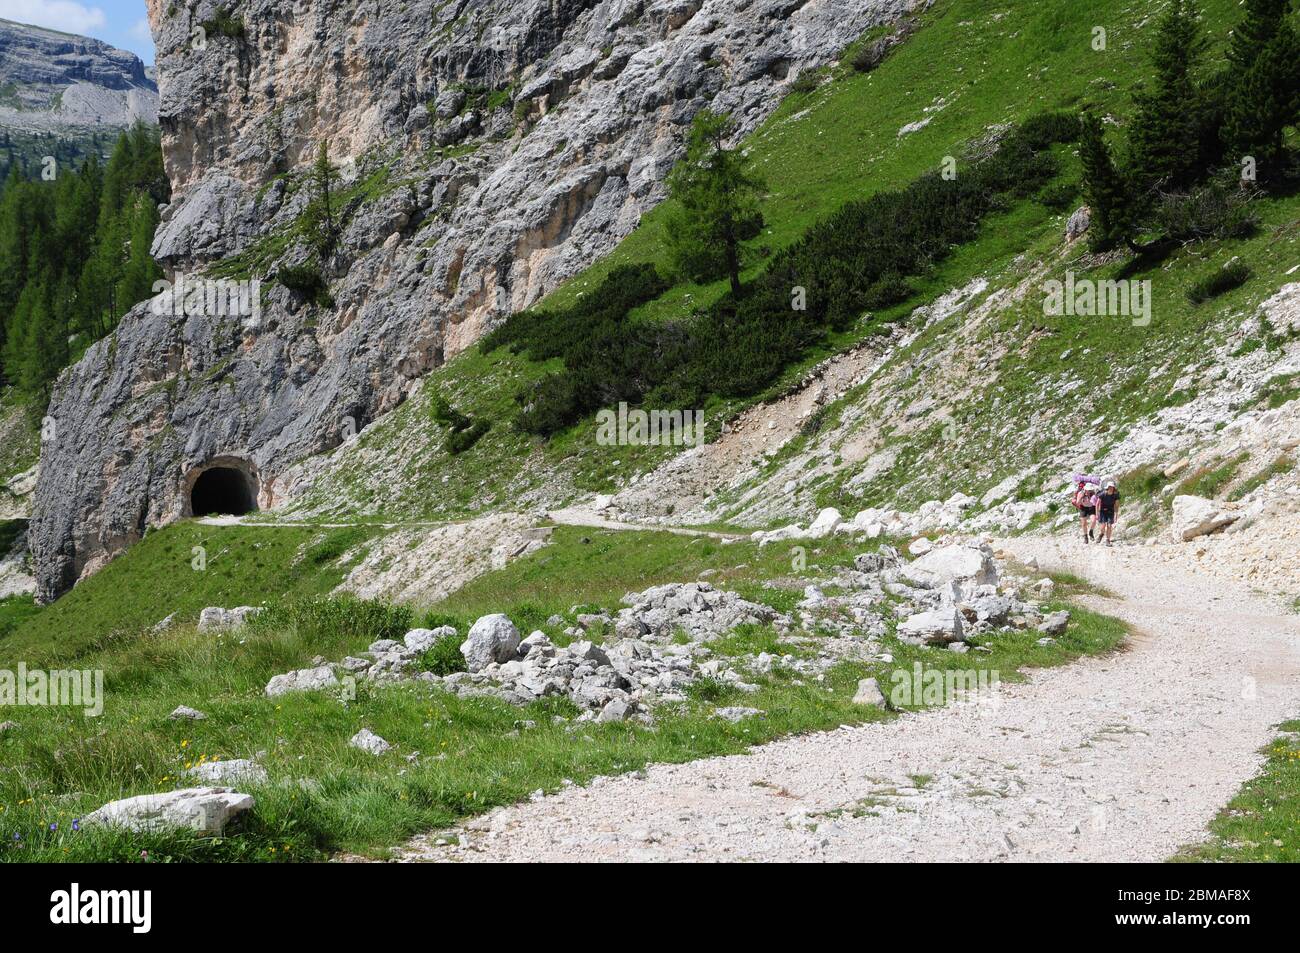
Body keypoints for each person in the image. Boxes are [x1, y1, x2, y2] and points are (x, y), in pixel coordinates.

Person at [1096, 480, 1120, 545]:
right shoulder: (1103, 494)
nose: (1111, 488)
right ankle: (1101, 534)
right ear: (1107, 487)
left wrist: (1116, 515)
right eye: (1110, 487)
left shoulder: (1115, 495)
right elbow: (1097, 504)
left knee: (1109, 525)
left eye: (1112, 487)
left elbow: (1116, 506)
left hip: (1110, 511)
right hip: (1103, 511)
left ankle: (1108, 540)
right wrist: (1097, 513)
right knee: (1103, 526)